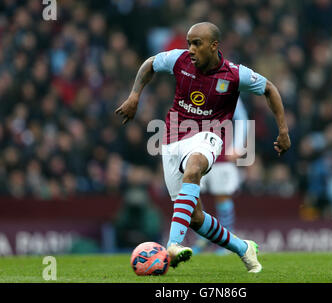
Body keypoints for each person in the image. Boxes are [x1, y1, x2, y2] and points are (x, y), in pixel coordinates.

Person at [115, 22, 291, 273]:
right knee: (195, 217)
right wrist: (134, 96)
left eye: (197, 43)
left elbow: (270, 89)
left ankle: (173, 245)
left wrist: (283, 131)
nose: (191, 49)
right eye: (189, 43)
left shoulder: (234, 74)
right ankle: (243, 248)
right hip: (172, 138)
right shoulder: (179, 60)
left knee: (194, 167)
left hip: (209, 134)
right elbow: (150, 64)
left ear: (214, 45)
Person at [194, 97, 248, 255]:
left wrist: (237, 146)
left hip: (222, 154)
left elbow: (241, 118)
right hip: (198, 151)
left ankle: (226, 241)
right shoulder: (195, 87)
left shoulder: (229, 87)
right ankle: (204, 236)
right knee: (192, 194)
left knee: (222, 196)